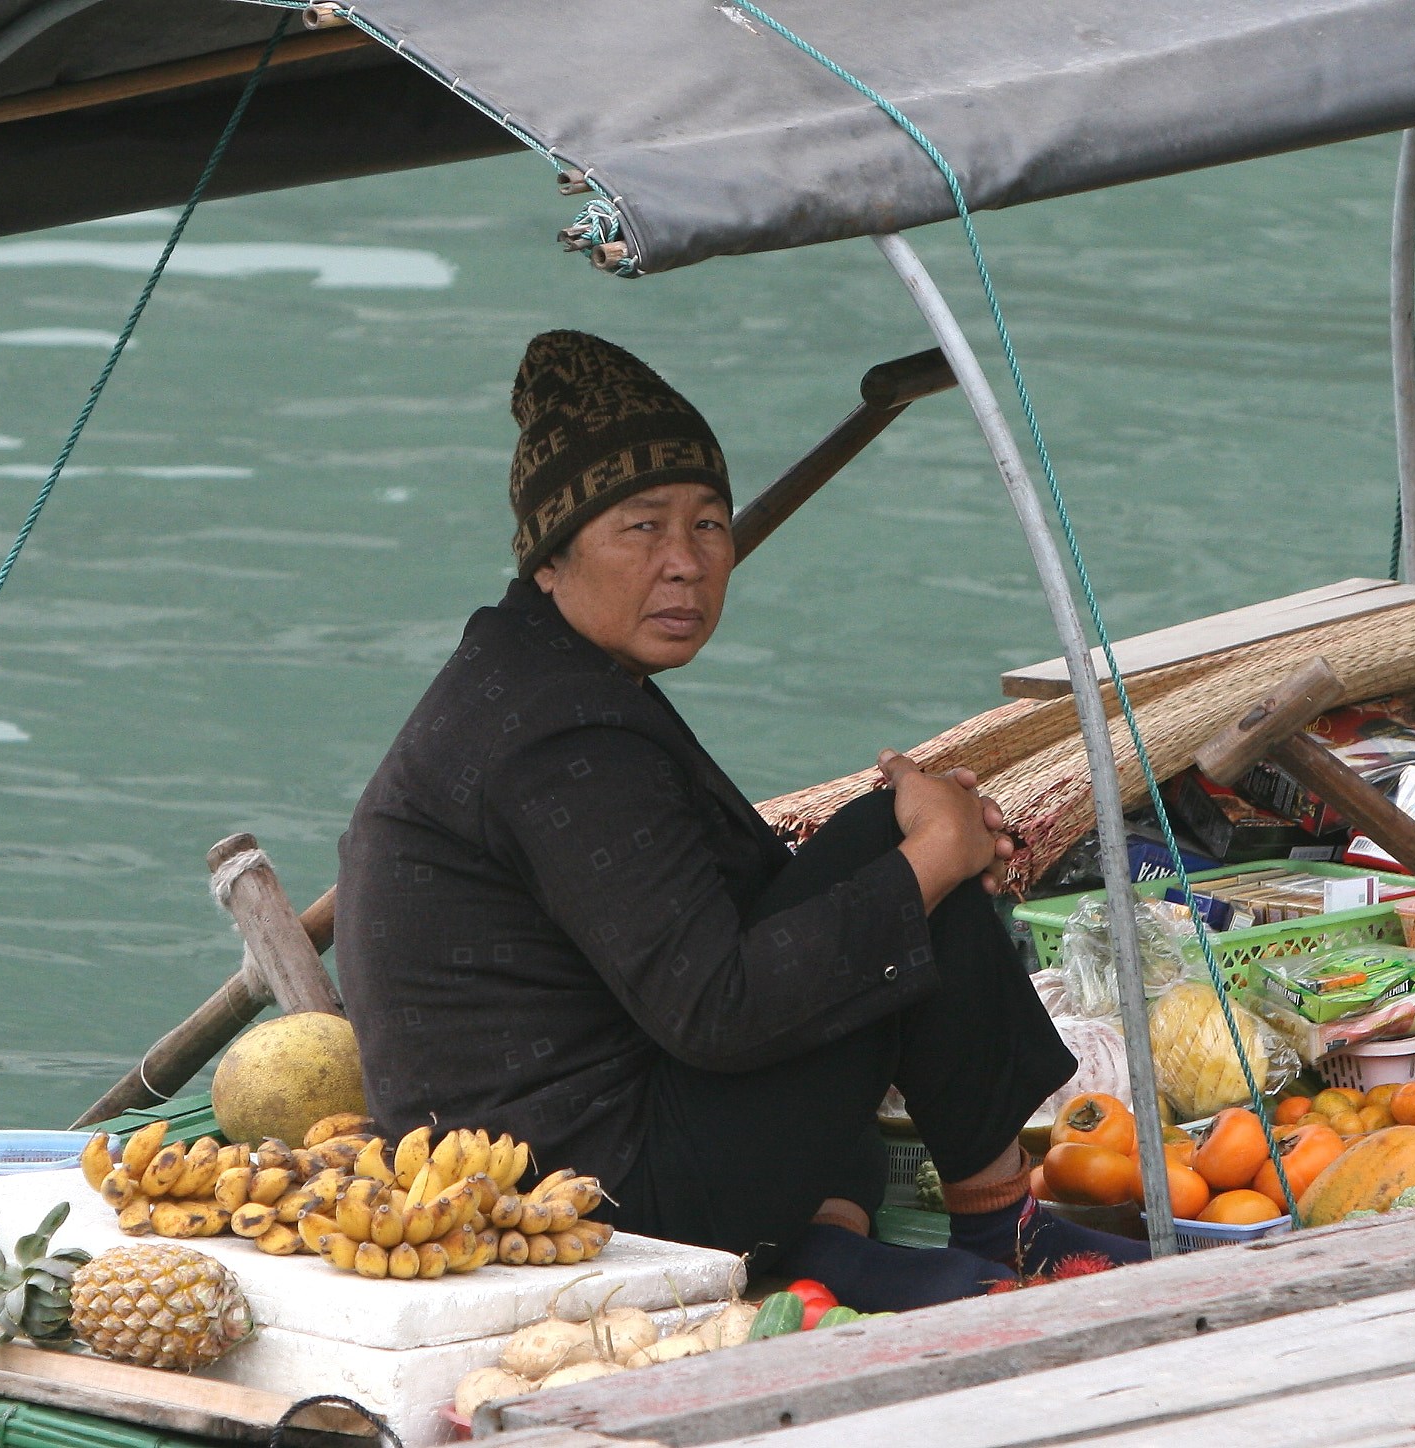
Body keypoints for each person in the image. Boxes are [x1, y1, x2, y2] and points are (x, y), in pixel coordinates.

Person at [334, 331, 1145, 1307]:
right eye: (640, 527)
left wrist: (920, 834)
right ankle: (1000, 1227)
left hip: (602, 1137)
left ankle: (844, 1236)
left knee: (873, 845)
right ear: (551, 554)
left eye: (707, 525)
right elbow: (715, 1009)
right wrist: (931, 849)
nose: (683, 563)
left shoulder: (537, 670)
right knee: (893, 855)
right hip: (589, 1200)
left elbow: (716, 923)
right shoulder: (556, 737)